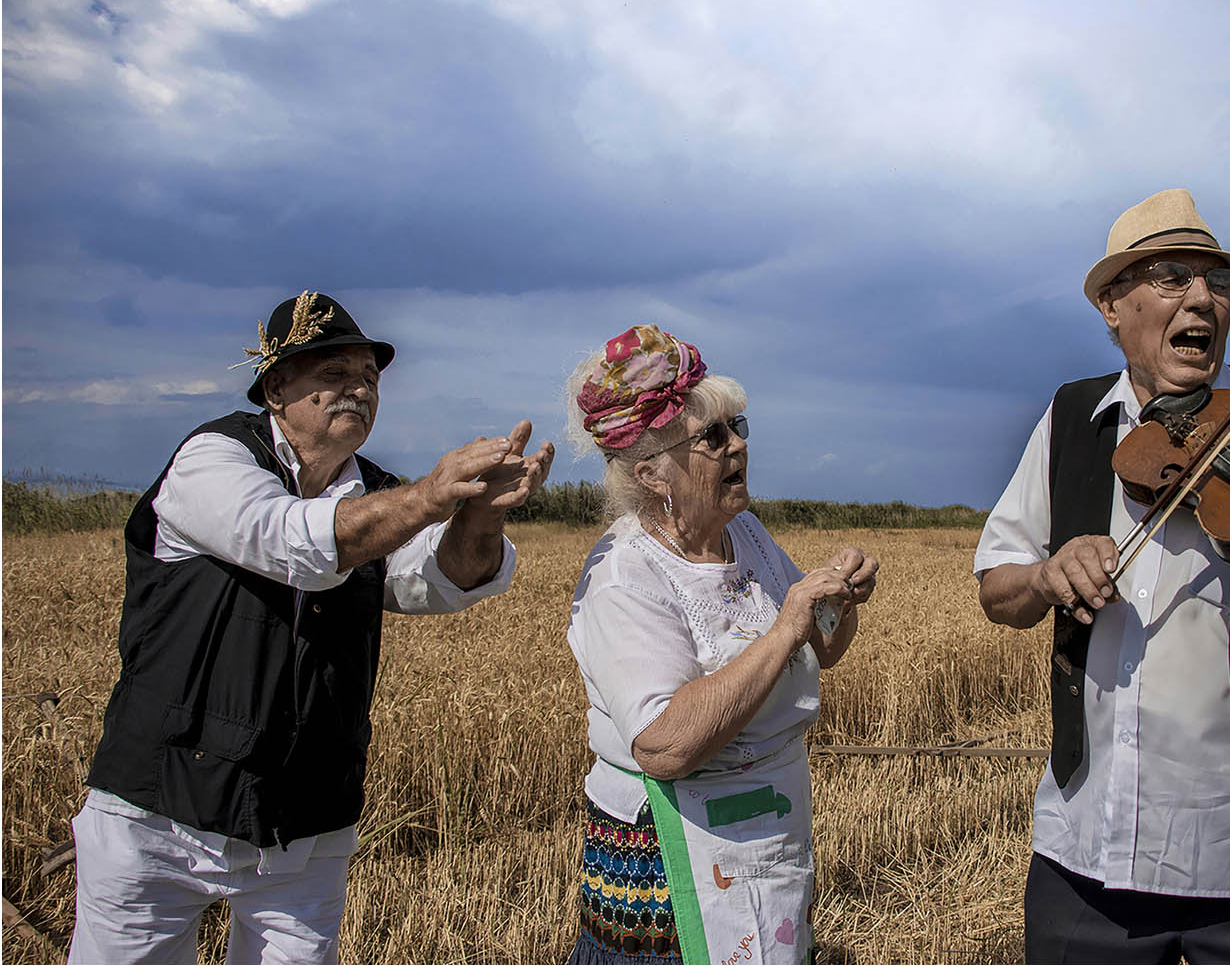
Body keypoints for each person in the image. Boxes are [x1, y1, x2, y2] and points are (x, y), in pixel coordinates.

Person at [69, 291, 555, 964]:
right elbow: (287, 539)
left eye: (369, 377)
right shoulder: (213, 460)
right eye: (332, 374)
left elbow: (440, 579)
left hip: (306, 825)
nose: (357, 388)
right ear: (275, 387)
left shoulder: (375, 497)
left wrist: (481, 516)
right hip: (159, 816)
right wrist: (427, 496)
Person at [974, 190, 1230, 963]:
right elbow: (998, 586)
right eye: (1170, 277)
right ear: (1111, 306)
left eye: (1217, 283)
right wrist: (1048, 575)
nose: (1201, 299)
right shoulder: (1069, 418)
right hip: (1091, 850)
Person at [561, 325, 878, 964]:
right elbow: (664, 744)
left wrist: (836, 602)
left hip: (770, 826)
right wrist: (786, 625)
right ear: (651, 472)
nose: (737, 446)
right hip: (666, 855)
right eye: (713, 437)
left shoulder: (749, 534)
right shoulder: (626, 577)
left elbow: (817, 649)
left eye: (739, 427)